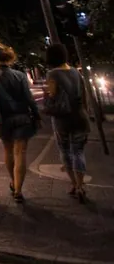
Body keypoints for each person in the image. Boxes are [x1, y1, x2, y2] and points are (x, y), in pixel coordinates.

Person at [0, 44, 40, 202]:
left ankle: (14, 182)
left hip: (2, 119)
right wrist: (36, 114)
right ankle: (18, 190)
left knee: (8, 151)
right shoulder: (20, 75)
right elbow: (29, 98)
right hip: (22, 117)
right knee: (20, 153)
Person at [43, 43, 91, 202]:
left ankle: (74, 184)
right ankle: (81, 186)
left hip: (62, 119)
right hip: (80, 117)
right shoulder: (76, 73)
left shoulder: (52, 74)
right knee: (78, 151)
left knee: (65, 151)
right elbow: (84, 96)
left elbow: (51, 96)